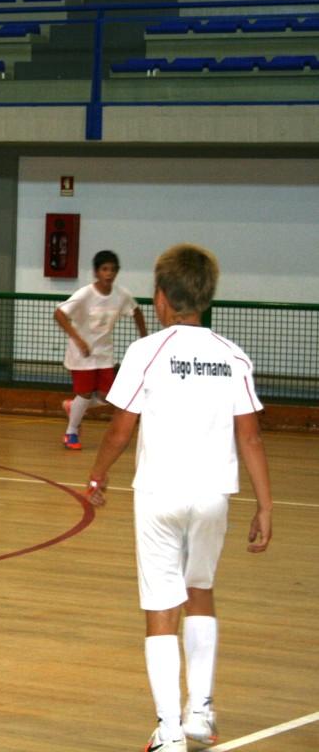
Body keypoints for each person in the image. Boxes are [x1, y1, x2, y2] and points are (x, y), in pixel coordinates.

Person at [83, 244, 273, 752]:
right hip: (213, 497)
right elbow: (251, 437)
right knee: (200, 589)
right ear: (206, 297)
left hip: (159, 495)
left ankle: (169, 732)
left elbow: (120, 429)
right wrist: (265, 505)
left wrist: (97, 474)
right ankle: (201, 713)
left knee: (161, 608)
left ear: (162, 298)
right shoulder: (233, 356)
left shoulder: (147, 352)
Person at [54, 249, 147, 450]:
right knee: (85, 393)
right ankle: (71, 432)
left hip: (104, 353)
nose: (109, 274)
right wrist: (78, 340)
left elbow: (136, 312)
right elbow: (59, 314)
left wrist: (144, 338)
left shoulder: (121, 295)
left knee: (107, 395)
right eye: (104, 269)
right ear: (96, 272)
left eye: (113, 270)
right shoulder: (85, 294)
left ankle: (73, 406)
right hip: (82, 353)